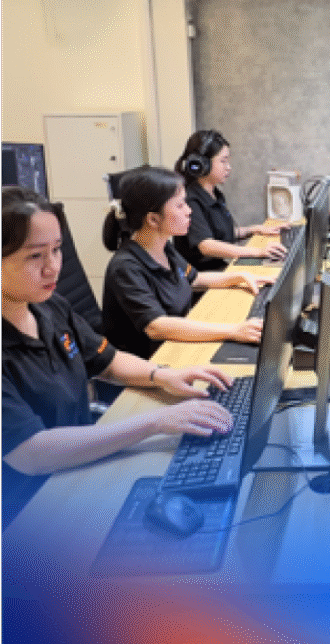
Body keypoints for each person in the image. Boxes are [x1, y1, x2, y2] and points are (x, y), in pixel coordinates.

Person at [2, 186, 235, 526]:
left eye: (57, 250)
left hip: (78, 468)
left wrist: (163, 375)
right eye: (35, 256)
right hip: (29, 509)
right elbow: (30, 453)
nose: (53, 267)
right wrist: (155, 422)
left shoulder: (49, 307)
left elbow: (108, 361)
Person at [102, 166, 275, 359]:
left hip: (175, 346)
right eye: (180, 205)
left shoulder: (163, 246)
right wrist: (233, 331)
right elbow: (157, 327)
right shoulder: (125, 267)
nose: (189, 211)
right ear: (153, 219)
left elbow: (194, 278)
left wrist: (240, 277)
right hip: (152, 360)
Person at [174, 129, 288, 271]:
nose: (229, 167)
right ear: (203, 164)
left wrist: (255, 229)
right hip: (201, 276)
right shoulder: (190, 199)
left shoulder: (214, 194)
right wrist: (258, 252)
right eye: (223, 161)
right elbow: (206, 246)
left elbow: (221, 234)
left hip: (217, 269)